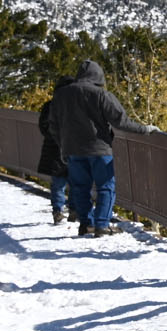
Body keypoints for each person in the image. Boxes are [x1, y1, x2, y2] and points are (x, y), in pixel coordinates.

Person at [48, 62, 160, 237]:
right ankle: (102, 225)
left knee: (79, 188)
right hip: (99, 149)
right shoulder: (101, 94)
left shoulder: (61, 95)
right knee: (106, 187)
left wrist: (62, 145)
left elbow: (53, 125)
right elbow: (121, 121)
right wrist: (145, 129)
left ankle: (87, 224)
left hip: (73, 149)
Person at [36, 70, 75, 223]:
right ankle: (73, 210)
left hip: (53, 149)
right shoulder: (75, 107)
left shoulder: (49, 106)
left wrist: (54, 136)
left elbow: (43, 127)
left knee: (58, 183)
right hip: (72, 148)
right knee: (74, 181)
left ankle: (58, 211)